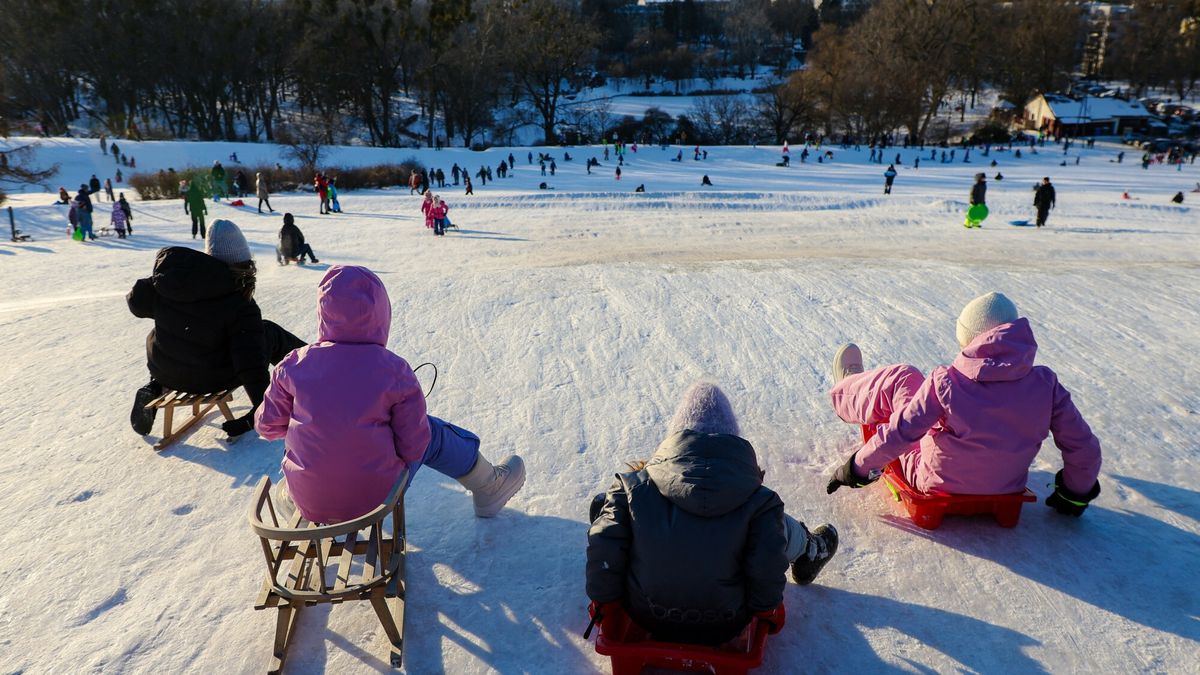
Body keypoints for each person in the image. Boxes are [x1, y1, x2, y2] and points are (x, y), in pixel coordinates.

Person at [254, 265, 525, 524]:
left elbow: (267, 427)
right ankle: (489, 484)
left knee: (310, 447)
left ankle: (306, 496)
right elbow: (414, 445)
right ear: (381, 314)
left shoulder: (293, 365)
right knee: (432, 432)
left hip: (308, 498)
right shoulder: (394, 370)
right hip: (378, 498)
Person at [587, 382, 838, 646]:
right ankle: (809, 550)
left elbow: (604, 552)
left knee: (616, 518)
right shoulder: (761, 503)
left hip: (645, 614)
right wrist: (766, 611)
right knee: (774, 527)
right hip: (726, 623)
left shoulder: (631, 489)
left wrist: (607, 604)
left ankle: (607, 512)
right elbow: (766, 568)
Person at [825, 292, 1103, 518]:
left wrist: (858, 468)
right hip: (1007, 488)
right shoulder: (1045, 384)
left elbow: (901, 433)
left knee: (904, 377)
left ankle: (848, 388)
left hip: (933, 483)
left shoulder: (946, 383)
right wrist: (1075, 494)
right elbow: (1083, 445)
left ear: (970, 339)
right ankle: (855, 386)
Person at [127, 220, 306, 439]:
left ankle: (154, 387)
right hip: (211, 378)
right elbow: (250, 364)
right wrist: (260, 411)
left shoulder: (170, 283)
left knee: (168, 331)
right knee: (267, 332)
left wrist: (156, 283)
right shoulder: (239, 304)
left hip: (166, 371)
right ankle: (315, 366)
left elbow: (135, 302)